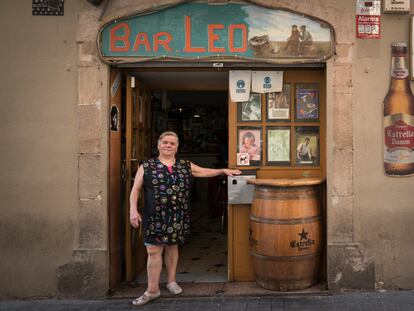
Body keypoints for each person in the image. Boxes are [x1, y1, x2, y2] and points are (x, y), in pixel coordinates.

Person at [129, 131, 241, 306]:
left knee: (172, 247)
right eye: (165, 142)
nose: (168, 145)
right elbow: (135, 189)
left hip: (177, 215)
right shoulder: (146, 166)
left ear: (177, 146)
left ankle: (171, 282)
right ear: (158, 145)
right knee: (153, 251)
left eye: (172, 143)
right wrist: (133, 210)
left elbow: (203, 172)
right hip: (154, 215)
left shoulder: (184, 165)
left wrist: (223, 171)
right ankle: (152, 290)